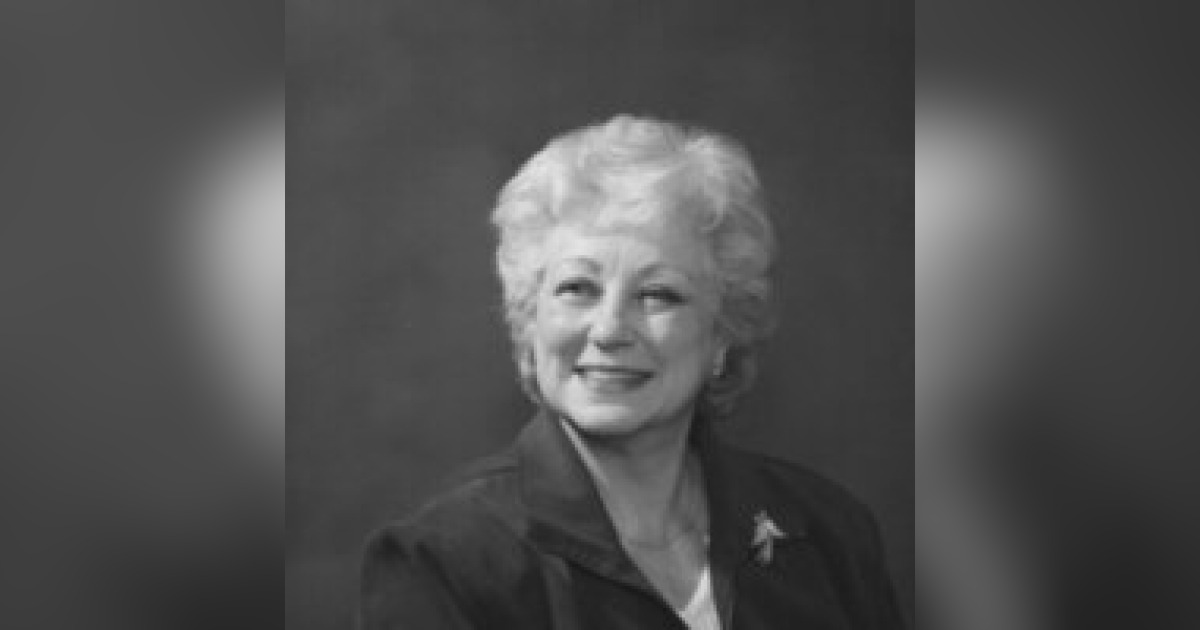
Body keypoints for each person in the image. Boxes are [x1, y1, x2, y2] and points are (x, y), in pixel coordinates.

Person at [358, 115, 904, 629]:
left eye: (658, 294)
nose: (609, 329)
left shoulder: (828, 532)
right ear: (531, 320)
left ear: (721, 333)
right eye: (578, 288)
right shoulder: (442, 564)